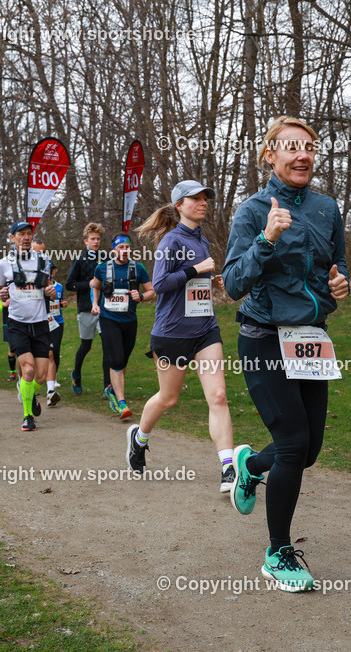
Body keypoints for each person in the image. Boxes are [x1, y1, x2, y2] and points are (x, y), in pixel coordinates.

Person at [223, 116, 350, 593]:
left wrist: (341, 286)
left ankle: (251, 467)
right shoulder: (253, 211)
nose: (304, 156)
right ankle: (278, 552)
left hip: (311, 337)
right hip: (263, 337)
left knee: (309, 450)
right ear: (270, 156)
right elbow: (234, 284)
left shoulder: (326, 207)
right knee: (294, 442)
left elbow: (336, 273)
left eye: (310, 148)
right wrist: (266, 239)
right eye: (292, 147)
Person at [126, 180, 238, 491]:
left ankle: (228, 468)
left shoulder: (201, 240)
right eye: (195, 199)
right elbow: (159, 285)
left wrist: (210, 280)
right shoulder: (170, 242)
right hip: (172, 333)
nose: (203, 203)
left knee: (218, 396)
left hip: (205, 329)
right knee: (169, 398)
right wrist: (195, 269)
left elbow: (193, 280)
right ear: (179, 205)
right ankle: (139, 438)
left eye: (205, 198)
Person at [0, 221, 56, 432]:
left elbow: (49, 287)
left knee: (40, 375)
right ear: (12, 238)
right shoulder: (4, 263)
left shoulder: (43, 260)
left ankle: (27, 390)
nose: (26, 237)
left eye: (29, 233)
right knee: (28, 368)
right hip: (17, 323)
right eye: (21, 234)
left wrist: (51, 292)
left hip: (40, 323)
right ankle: (28, 416)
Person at [90, 235, 155, 420]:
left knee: (123, 360)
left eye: (127, 247)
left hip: (129, 320)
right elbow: (95, 287)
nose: (124, 251)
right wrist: (95, 303)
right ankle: (121, 403)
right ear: (114, 250)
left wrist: (140, 297)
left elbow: (152, 291)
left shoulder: (138, 268)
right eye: (121, 247)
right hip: (108, 318)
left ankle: (112, 388)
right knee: (117, 360)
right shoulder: (102, 268)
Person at [66, 223, 109, 396]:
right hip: (85, 308)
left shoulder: (106, 258)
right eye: (93, 239)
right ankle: (76, 374)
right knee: (86, 345)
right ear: (86, 241)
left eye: (98, 239)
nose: (96, 242)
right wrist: (88, 284)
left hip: (105, 308)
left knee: (107, 344)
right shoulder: (79, 260)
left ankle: (108, 386)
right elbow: (70, 284)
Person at [45, 263, 68, 406]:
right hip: (44, 323)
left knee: (55, 351)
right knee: (49, 354)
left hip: (57, 323)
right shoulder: (41, 288)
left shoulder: (59, 287)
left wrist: (63, 303)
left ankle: (52, 378)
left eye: (51, 271)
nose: (50, 274)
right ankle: (50, 388)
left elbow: (60, 301)